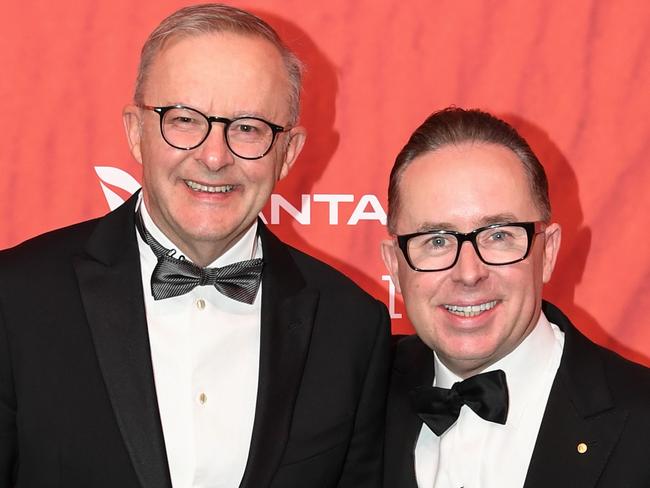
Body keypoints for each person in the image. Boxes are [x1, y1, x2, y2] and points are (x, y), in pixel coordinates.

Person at [0, 4, 390, 487]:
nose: (213, 156)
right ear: (135, 132)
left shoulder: (350, 327)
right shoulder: (15, 300)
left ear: (287, 153)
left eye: (248, 127)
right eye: (183, 119)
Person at [380, 107, 650, 487]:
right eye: (437, 241)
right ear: (395, 264)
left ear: (548, 253)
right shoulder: (356, 394)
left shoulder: (641, 421)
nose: (469, 273)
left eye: (499, 236)